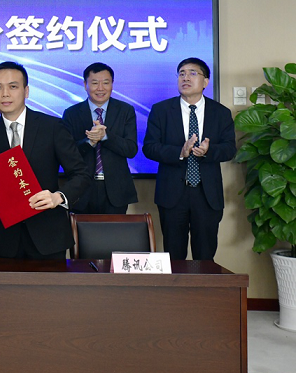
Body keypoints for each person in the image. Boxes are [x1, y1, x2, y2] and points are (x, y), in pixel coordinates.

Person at [0, 61, 91, 259]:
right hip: (1, 238)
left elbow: (81, 174)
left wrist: (58, 197)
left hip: (47, 235)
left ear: (26, 91)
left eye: (13, 86)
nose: (5, 94)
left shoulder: (52, 127)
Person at [143, 57, 236, 261]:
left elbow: (230, 149)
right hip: (172, 194)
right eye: (182, 74)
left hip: (207, 194)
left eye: (193, 73)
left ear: (205, 81)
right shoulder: (161, 110)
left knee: (205, 255)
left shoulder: (221, 112)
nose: (185, 78)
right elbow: (149, 148)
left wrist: (208, 151)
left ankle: (202, 284)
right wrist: (180, 152)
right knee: (174, 255)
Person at [62, 62, 138, 214]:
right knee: (80, 230)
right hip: (82, 190)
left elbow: (131, 149)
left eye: (106, 83)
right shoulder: (71, 113)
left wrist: (105, 136)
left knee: (114, 230)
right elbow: (67, 154)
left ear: (112, 84)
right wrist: (89, 142)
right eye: (95, 83)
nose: (100, 88)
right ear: (85, 85)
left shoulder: (125, 110)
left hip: (116, 190)